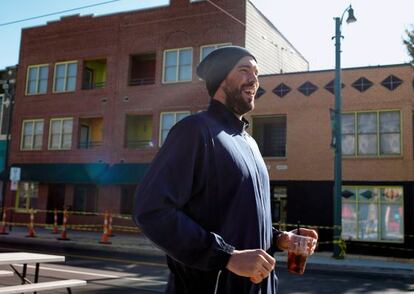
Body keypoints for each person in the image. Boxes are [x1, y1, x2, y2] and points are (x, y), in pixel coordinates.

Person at [133, 46, 318, 294]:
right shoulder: (194, 131)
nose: (255, 80)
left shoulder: (249, 142)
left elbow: (237, 220)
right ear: (221, 79)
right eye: (244, 70)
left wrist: (279, 238)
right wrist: (226, 256)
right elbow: (151, 210)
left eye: (257, 73)